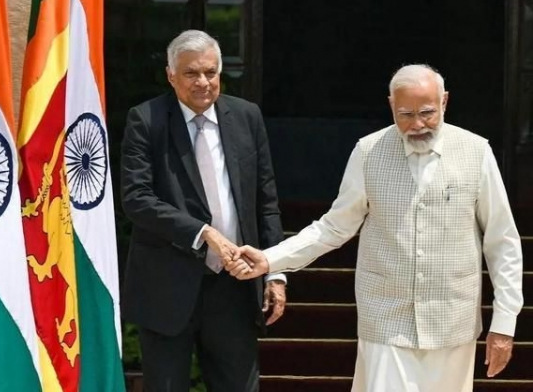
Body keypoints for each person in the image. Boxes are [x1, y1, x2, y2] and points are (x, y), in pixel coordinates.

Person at [226, 64, 523, 391]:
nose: (417, 124)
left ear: (445, 102)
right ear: (391, 105)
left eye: (427, 112)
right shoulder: (368, 151)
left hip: (453, 320)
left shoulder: (476, 151)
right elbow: (333, 227)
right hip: (385, 317)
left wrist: (504, 323)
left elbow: (502, 242)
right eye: (405, 114)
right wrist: (270, 259)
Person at [120, 29, 286, 392]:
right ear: (170, 75)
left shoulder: (247, 116)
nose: (203, 82)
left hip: (234, 286)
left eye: (210, 72)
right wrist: (203, 233)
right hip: (167, 286)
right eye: (191, 73)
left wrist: (274, 271)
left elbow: (265, 201)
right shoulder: (146, 120)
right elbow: (137, 198)